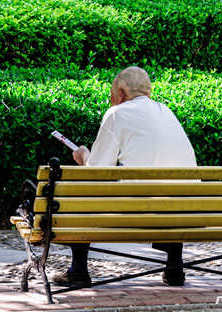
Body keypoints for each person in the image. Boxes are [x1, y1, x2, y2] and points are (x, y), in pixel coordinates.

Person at [51, 66, 197, 288]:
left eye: (112, 94)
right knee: (168, 188)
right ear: (148, 92)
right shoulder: (167, 111)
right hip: (184, 211)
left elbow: (96, 172)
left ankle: (78, 270)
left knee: (77, 194)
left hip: (138, 211)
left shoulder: (117, 113)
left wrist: (84, 156)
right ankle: (174, 265)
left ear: (120, 93)